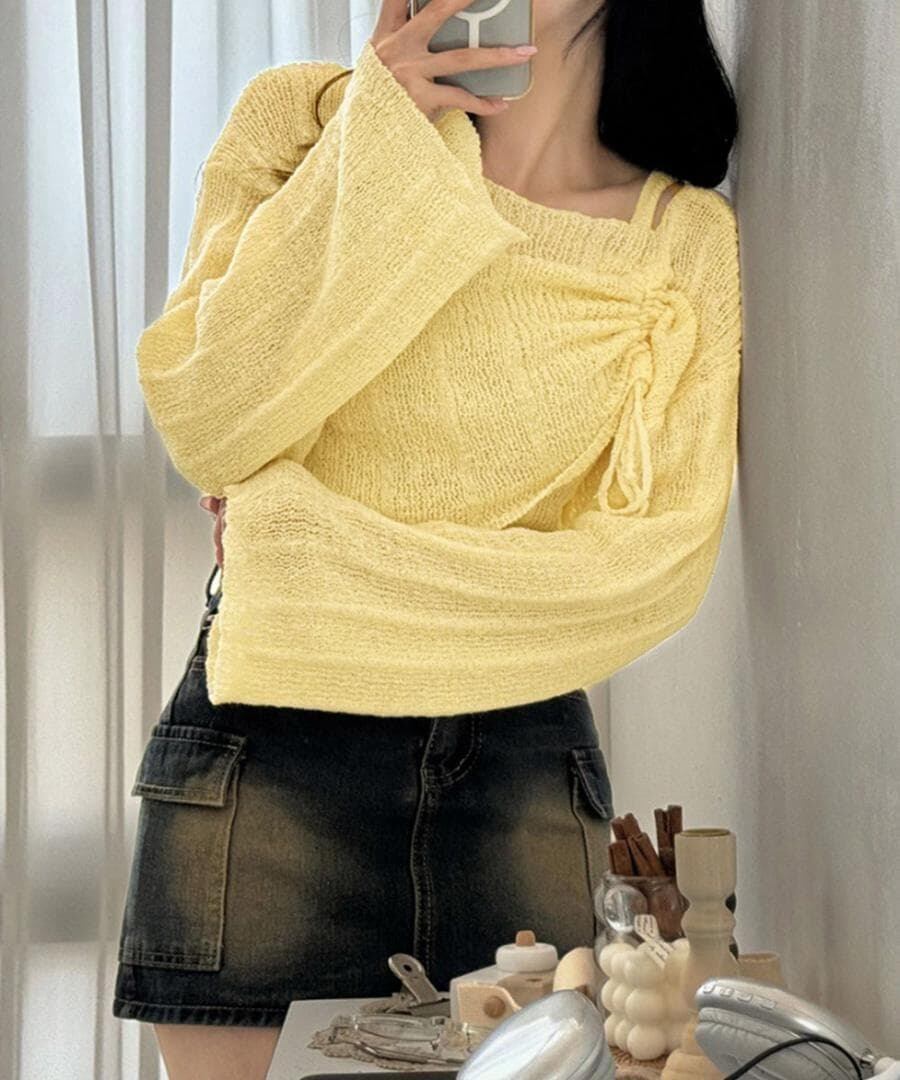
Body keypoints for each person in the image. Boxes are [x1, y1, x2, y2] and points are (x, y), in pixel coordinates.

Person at [113, 0, 742, 1076]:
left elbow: (651, 567)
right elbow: (211, 419)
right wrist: (381, 139)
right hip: (270, 757)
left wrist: (298, 549)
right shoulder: (300, 126)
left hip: (515, 768)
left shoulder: (681, 243)